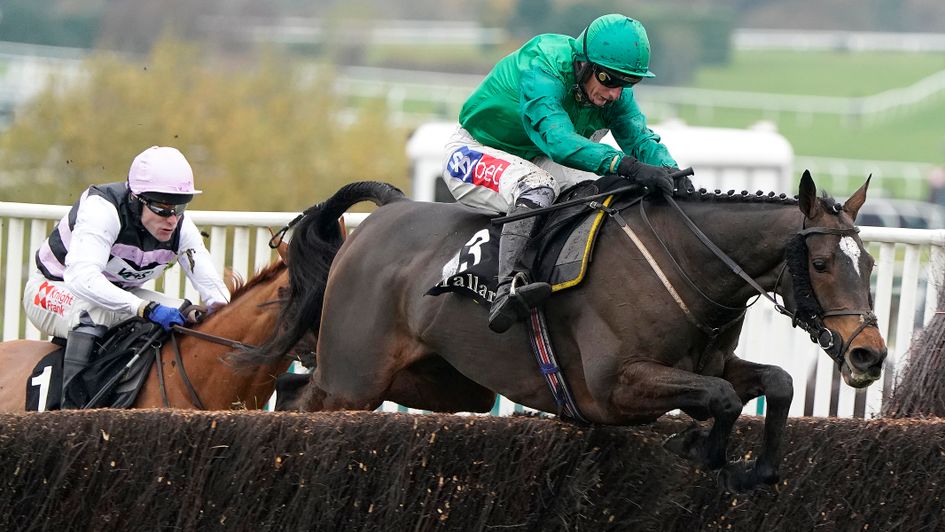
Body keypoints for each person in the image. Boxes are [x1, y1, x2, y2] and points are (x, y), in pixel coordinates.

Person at [441, 13, 680, 333]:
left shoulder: (614, 90)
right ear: (583, 64)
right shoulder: (544, 64)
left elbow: (639, 139)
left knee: (596, 194)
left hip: (536, 157)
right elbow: (559, 142)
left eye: (628, 83)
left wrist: (674, 176)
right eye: (609, 80)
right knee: (538, 188)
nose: (614, 93)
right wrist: (630, 166)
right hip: (471, 152)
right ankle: (506, 288)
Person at [22, 146, 230, 407]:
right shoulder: (103, 209)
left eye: (179, 207)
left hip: (115, 294)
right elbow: (83, 279)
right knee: (94, 313)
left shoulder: (181, 227)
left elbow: (214, 290)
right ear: (135, 199)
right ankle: (70, 414)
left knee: (184, 314)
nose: (172, 219)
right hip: (53, 288)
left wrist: (223, 315)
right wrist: (144, 308)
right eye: (162, 208)